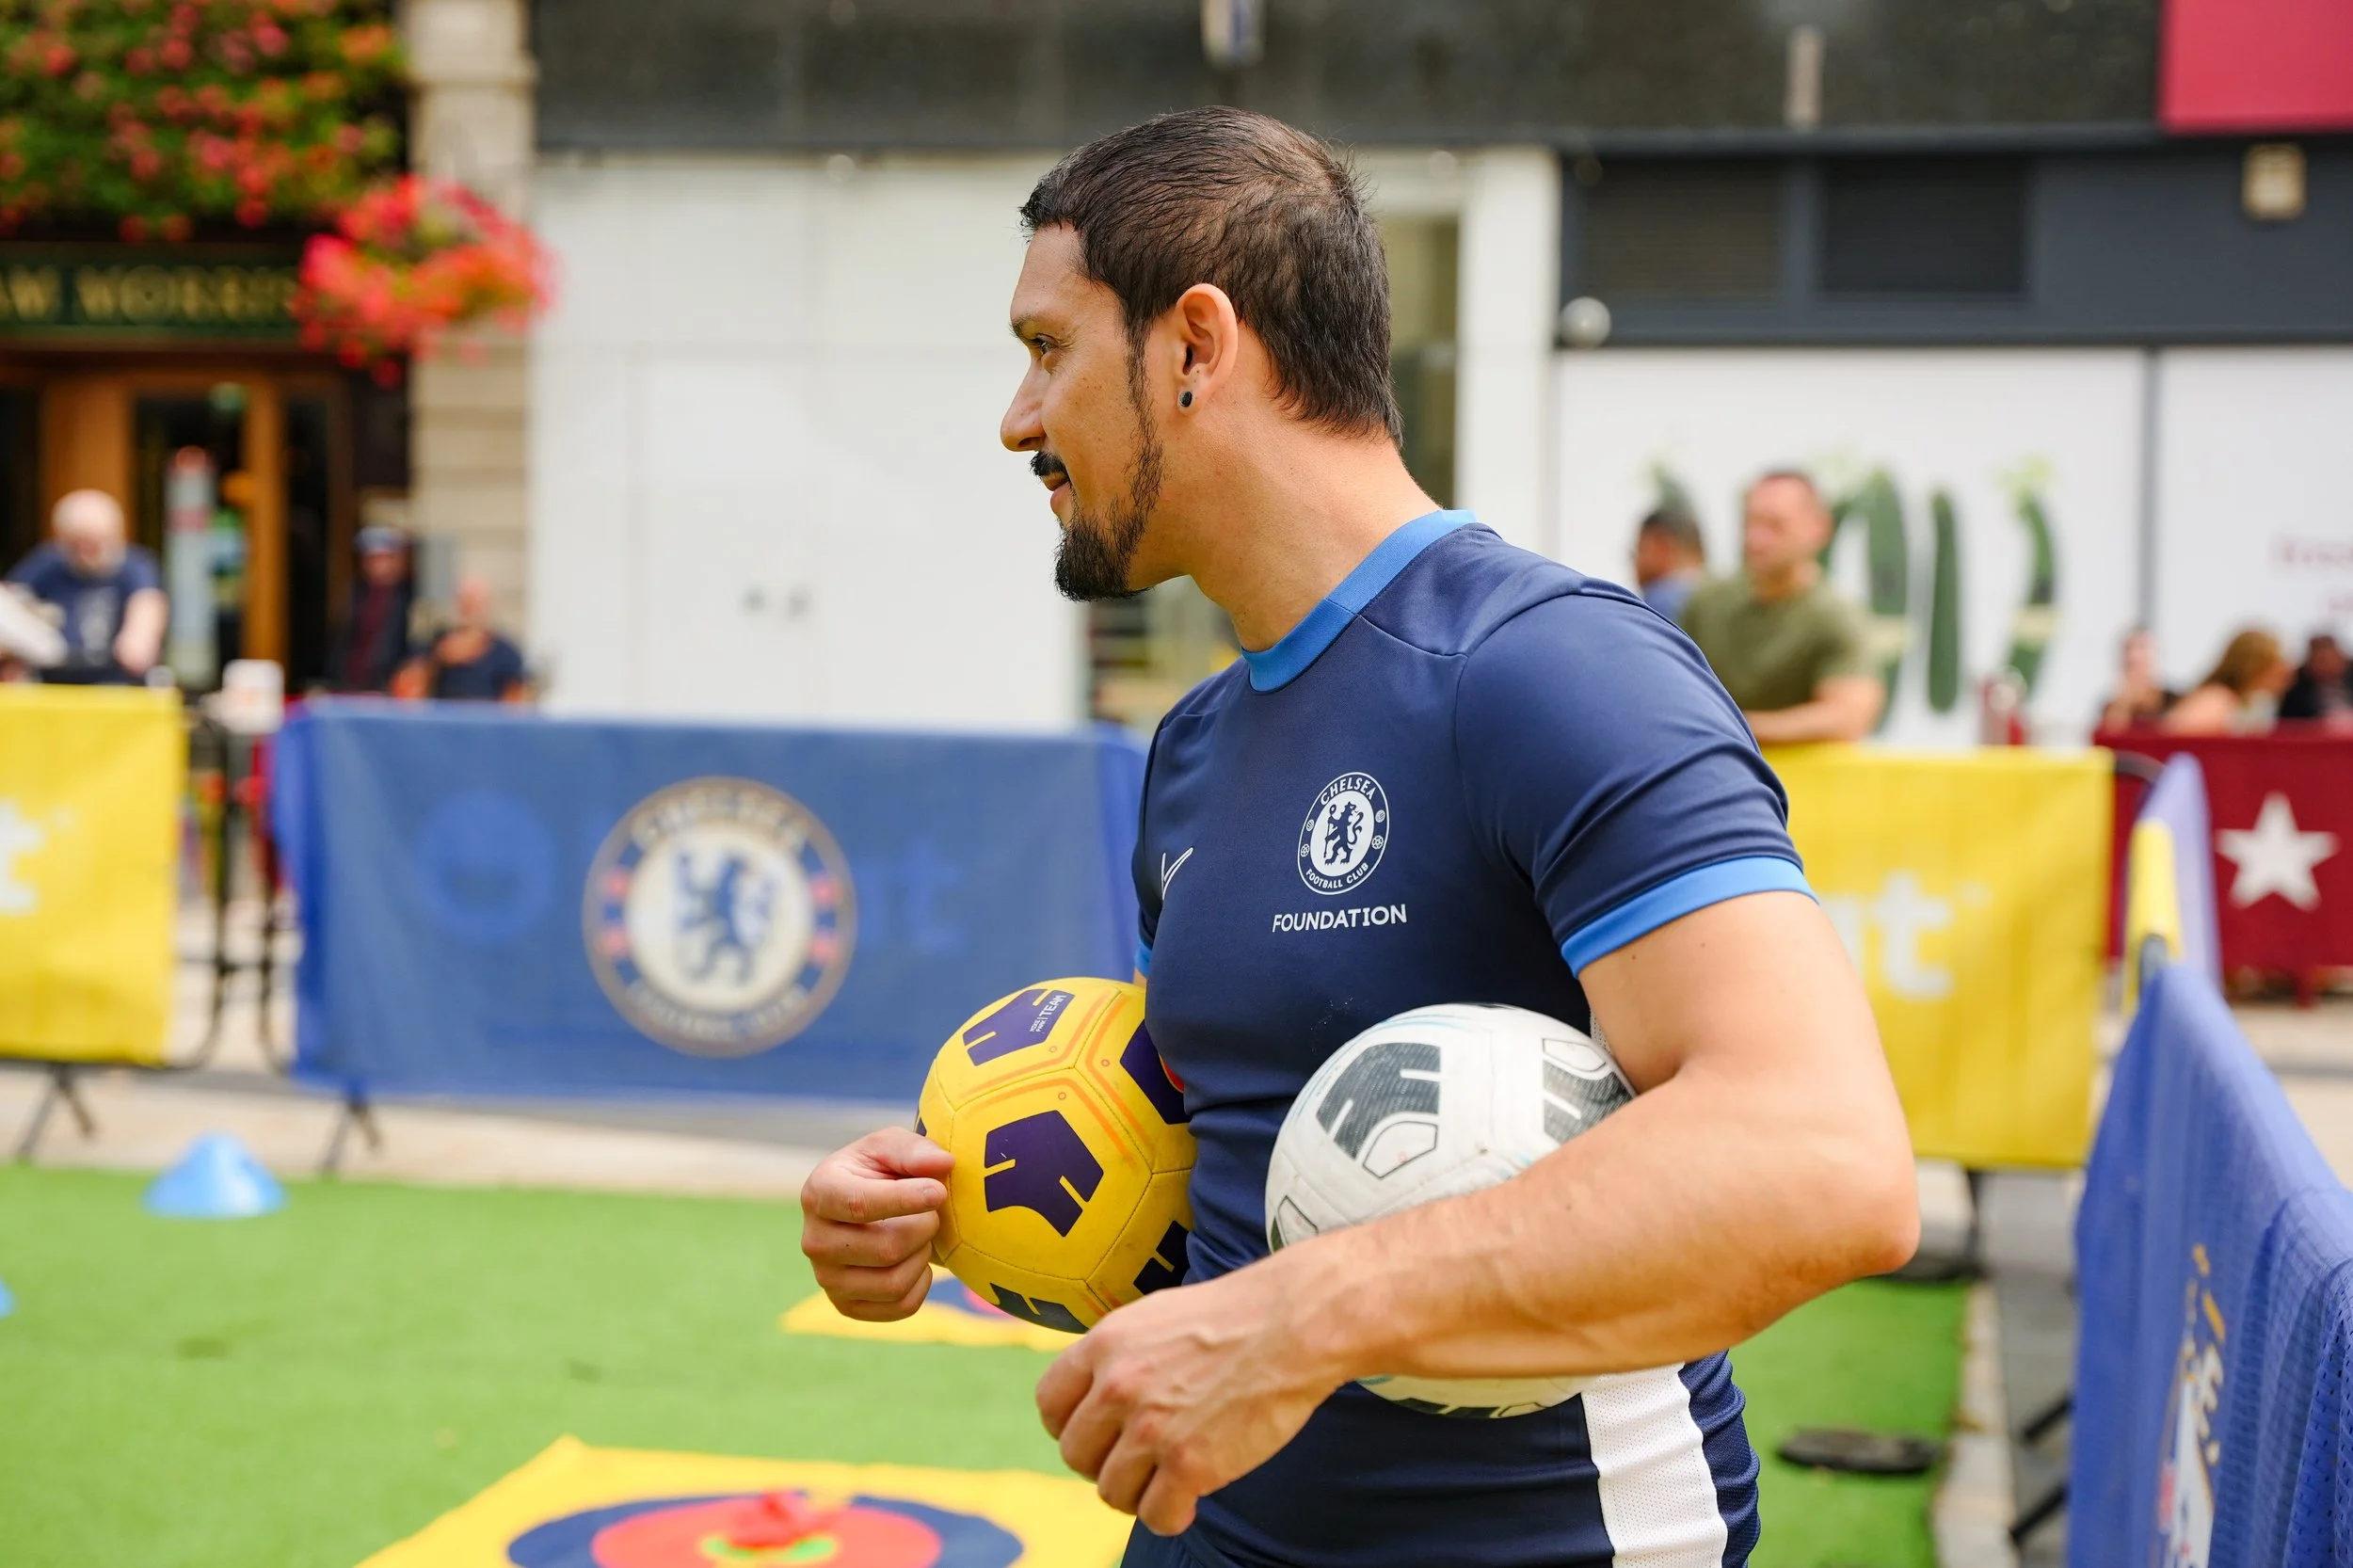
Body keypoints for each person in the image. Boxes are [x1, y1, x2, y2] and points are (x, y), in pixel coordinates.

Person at [798, 108, 1915, 1568]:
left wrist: (1300, 1315)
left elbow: (1826, 1160)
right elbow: (1230, 1184)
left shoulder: (1551, 669)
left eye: (1047, 347)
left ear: (1196, 346)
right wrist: (942, 1219)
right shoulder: (1194, 743)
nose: (1019, 417)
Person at [1676, 472, 1884, 744]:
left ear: (1818, 529)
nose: (1756, 539)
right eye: (1751, 523)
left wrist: (1736, 728)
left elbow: (1848, 717)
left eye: (1776, 525)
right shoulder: (1706, 603)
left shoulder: (1836, 617)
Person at [5, 489, 168, 685]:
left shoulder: (134, 565)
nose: (88, 551)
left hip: (116, 683)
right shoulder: (48, 562)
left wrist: (139, 639)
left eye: (97, 542)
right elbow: (10, 600)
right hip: (55, 681)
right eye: (79, 543)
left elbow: (146, 606)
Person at [402, 573, 528, 702]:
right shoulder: (437, 642)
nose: (468, 608)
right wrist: (438, 659)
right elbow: (408, 686)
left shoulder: (506, 651)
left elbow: (517, 700)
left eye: (474, 602)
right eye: (464, 601)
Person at [326, 524, 416, 693]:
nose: (377, 565)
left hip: (386, 688)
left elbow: (413, 645)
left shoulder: (409, 597)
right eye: (372, 559)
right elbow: (344, 640)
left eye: (383, 558)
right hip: (350, 685)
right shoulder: (356, 594)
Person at [2163, 628, 2295, 735]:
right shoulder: (2216, 699)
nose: (2286, 678)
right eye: (2276, 667)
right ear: (2255, 667)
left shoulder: (2254, 705)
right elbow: (2173, 738)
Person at [1631, 502, 1706, 623]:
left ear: (1661, 546)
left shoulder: (1659, 602)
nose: (1636, 563)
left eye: (1640, 550)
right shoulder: (1722, 597)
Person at [2095, 626, 2177, 732]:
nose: (2135, 656)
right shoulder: (2112, 706)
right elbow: (2111, 735)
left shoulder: (2173, 701)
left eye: (2142, 648)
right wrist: (2124, 703)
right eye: (2129, 650)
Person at [2279, 632, 2353, 726]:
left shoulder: (2350, 680)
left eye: (2333, 658)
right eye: (2322, 660)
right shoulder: (2296, 691)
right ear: (2310, 662)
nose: (2328, 665)